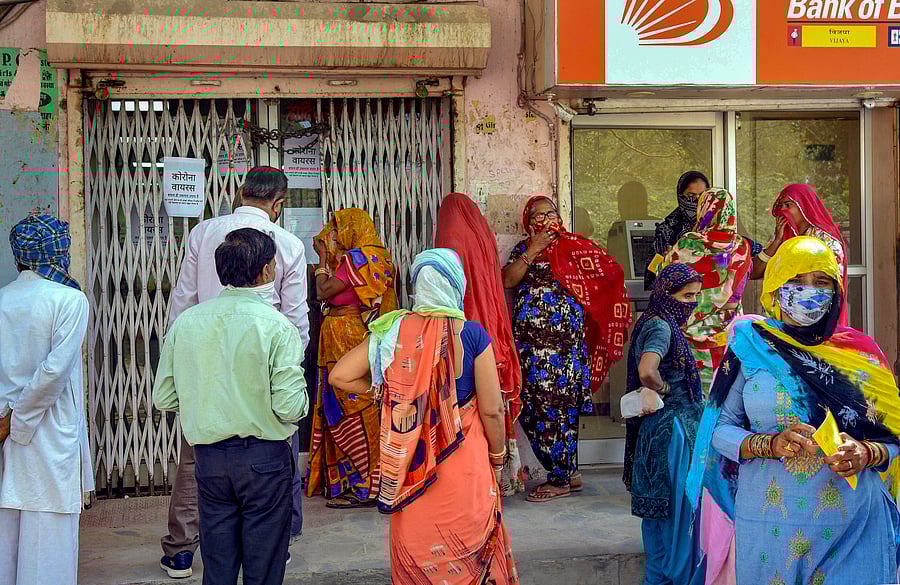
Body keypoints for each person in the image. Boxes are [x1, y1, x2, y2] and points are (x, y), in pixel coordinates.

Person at [686, 236, 900, 585]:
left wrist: (865, 451)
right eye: (796, 282)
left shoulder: (863, 357)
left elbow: (894, 438)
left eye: (821, 282)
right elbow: (718, 430)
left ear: (837, 291)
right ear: (775, 289)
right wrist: (766, 445)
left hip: (852, 529)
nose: (808, 291)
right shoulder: (752, 346)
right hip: (771, 532)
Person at [329, 248, 518, 584]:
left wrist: (388, 395)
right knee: (469, 558)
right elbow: (492, 410)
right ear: (457, 284)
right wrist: (498, 457)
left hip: (410, 466)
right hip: (466, 464)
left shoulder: (393, 331)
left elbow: (339, 376)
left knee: (419, 552)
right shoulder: (472, 334)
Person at [161, 166, 309, 578]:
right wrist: (286, 373)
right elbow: (296, 322)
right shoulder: (290, 245)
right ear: (278, 205)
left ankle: (180, 551)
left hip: (205, 375)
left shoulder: (203, 233)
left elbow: (182, 303)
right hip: (263, 372)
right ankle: (276, 545)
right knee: (273, 469)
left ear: (239, 192)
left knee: (198, 470)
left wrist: (187, 356)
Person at [502, 195, 631, 502]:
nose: (546, 219)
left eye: (551, 213)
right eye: (538, 214)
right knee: (532, 409)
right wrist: (532, 251)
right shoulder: (523, 249)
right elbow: (507, 280)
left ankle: (560, 479)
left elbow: (610, 274)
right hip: (532, 351)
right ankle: (569, 473)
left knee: (557, 412)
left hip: (564, 353)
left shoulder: (576, 248)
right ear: (528, 220)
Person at [0, 215, 93, 585]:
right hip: (45, 435)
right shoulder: (70, 300)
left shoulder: (3, 299)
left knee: (9, 537)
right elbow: (53, 373)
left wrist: (9, 422)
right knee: (49, 542)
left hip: (7, 433)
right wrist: (18, 424)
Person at [305, 208, 396, 508]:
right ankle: (361, 477)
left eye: (336, 229)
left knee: (351, 404)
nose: (332, 236)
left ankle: (366, 481)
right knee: (348, 404)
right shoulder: (377, 257)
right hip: (353, 332)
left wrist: (320, 261)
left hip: (345, 334)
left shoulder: (358, 259)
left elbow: (325, 290)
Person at [435, 192, 524, 496]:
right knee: (491, 402)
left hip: (457, 325)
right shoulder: (479, 234)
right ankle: (499, 476)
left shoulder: (449, 236)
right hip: (486, 327)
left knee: (462, 398)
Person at [623, 263, 705, 585]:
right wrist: (668, 388)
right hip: (673, 435)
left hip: (655, 431)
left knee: (658, 522)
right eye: (686, 296)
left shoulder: (651, 320)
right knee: (679, 520)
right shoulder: (662, 327)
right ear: (666, 294)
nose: (692, 304)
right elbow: (647, 370)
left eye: (696, 296)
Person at [653, 189, 754, 394]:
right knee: (725, 395)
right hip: (729, 332)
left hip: (690, 331)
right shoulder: (742, 246)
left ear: (703, 210)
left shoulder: (689, 243)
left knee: (694, 394)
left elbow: (664, 274)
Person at [751, 183, 849, 325]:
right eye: (780, 205)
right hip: (782, 316)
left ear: (804, 207)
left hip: (815, 314)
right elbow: (754, 272)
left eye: (788, 205)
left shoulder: (826, 240)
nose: (782, 210)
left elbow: (829, 284)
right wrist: (776, 242)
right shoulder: (782, 236)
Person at [645, 171, 709, 289]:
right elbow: (653, 272)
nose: (696, 201)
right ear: (680, 195)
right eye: (691, 196)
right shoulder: (667, 230)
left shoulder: (713, 227)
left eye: (702, 197)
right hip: (677, 294)